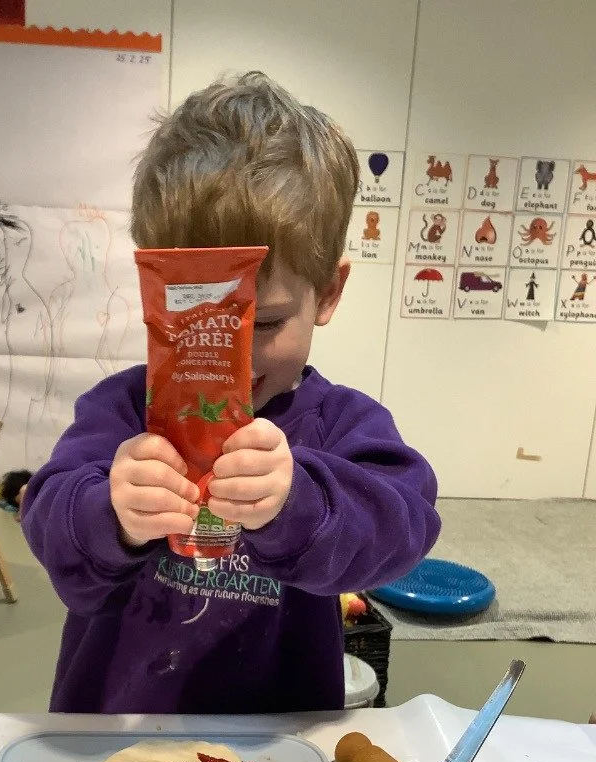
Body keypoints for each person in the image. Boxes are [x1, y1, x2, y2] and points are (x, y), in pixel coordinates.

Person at [22, 72, 440, 714]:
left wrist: (302, 503)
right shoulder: (120, 413)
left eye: (266, 323)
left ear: (328, 293)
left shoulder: (339, 424)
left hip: (274, 748)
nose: (235, 364)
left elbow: (406, 521)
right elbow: (48, 520)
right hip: (112, 730)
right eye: (197, 323)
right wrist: (108, 513)